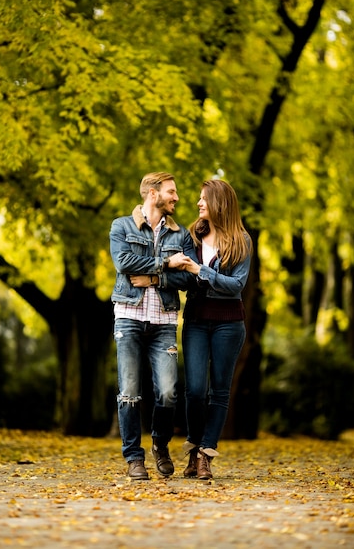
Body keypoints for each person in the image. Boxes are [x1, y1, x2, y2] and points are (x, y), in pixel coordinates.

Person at [109, 172, 195, 480]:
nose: (176, 197)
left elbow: (189, 277)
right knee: (129, 392)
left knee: (169, 392)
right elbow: (123, 262)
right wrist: (167, 264)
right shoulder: (122, 226)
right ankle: (134, 457)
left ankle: (160, 444)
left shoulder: (181, 235)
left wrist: (156, 277)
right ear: (152, 193)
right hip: (129, 316)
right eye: (171, 191)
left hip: (164, 321)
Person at [171, 179, 252, 480]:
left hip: (229, 323)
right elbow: (185, 279)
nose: (198, 203)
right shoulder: (191, 236)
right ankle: (193, 447)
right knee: (193, 390)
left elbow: (236, 286)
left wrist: (199, 270)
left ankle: (205, 454)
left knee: (219, 390)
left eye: (204, 199)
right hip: (196, 319)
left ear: (219, 202)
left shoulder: (241, 240)